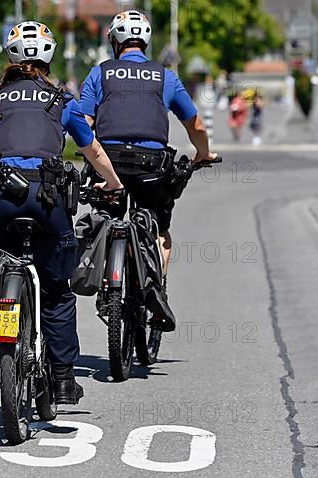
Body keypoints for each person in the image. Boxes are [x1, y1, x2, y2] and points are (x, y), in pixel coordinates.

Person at [0, 21, 124, 405]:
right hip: (47, 201)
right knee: (56, 290)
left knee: (3, 258)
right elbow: (94, 152)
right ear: (49, 57)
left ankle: (5, 308)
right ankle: (64, 379)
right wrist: (114, 184)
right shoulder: (62, 101)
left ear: (11, 55)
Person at [80, 10, 217, 332]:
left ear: (114, 41)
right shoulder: (165, 76)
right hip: (151, 164)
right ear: (146, 42)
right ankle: (155, 284)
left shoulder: (99, 74)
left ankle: (104, 280)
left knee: (103, 216)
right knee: (159, 230)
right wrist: (203, 153)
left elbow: (84, 124)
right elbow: (194, 123)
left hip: (108, 160)